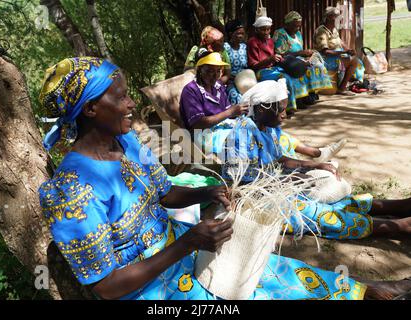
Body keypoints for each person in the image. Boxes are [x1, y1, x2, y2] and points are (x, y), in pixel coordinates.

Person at [38, 57, 411, 300]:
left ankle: (367, 292)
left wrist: (206, 194)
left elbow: (165, 194)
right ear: (89, 108)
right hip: (152, 291)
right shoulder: (71, 190)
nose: (131, 104)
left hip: (179, 250)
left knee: (273, 270)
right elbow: (106, 287)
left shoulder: (128, 143)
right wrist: (186, 246)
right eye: (120, 98)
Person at [224, 79, 411, 241]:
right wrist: (289, 180)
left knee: (335, 201)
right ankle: (398, 227)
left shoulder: (267, 127)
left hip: (276, 188)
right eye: (280, 110)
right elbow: (242, 186)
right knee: (320, 214)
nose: (285, 114)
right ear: (262, 107)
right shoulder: (242, 134)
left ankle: (394, 206)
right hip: (254, 202)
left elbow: (280, 159)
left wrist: (315, 165)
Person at [179, 50, 249, 155]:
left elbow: (228, 111)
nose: (215, 75)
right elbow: (197, 124)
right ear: (200, 70)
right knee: (239, 139)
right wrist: (230, 112)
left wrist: (240, 111)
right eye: (210, 71)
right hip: (204, 135)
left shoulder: (218, 86)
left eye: (218, 71)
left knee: (250, 127)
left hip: (223, 126)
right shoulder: (190, 90)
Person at [273, 11, 332, 106]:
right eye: (294, 26)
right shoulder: (280, 34)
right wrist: (300, 53)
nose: (297, 28)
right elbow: (281, 55)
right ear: (287, 24)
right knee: (300, 69)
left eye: (299, 26)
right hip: (286, 62)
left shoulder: (298, 34)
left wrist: (307, 55)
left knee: (317, 66)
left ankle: (309, 94)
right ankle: (299, 98)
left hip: (298, 59)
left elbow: (300, 50)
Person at [247, 16, 303, 115]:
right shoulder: (253, 42)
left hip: (272, 68)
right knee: (284, 78)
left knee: (290, 74)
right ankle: (285, 109)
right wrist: (270, 59)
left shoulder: (270, 42)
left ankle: (294, 103)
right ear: (256, 29)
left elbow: (274, 59)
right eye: (262, 29)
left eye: (268, 29)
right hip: (260, 71)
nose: (266, 32)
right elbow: (253, 65)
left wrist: (279, 59)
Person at [314, 7, 365, 96]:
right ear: (329, 17)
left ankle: (350, 84)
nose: (339, 18)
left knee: (357, 61)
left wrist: (348, 50)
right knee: (354, 61)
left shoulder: (333, 29)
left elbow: (340, 42)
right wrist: (344, 53)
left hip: (336, 56)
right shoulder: (321, 31)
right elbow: (325, 51)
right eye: (336, 16)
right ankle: (342, 88)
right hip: (326, 59)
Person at [223, 20, 249, 104]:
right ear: (231, 34)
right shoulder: (225, 47)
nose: (241, 36)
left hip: (245, 80)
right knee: (234, 94)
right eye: (238, 33)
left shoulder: (244, 47)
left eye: (242, 33)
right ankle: (239, 115)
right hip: (230, 81)